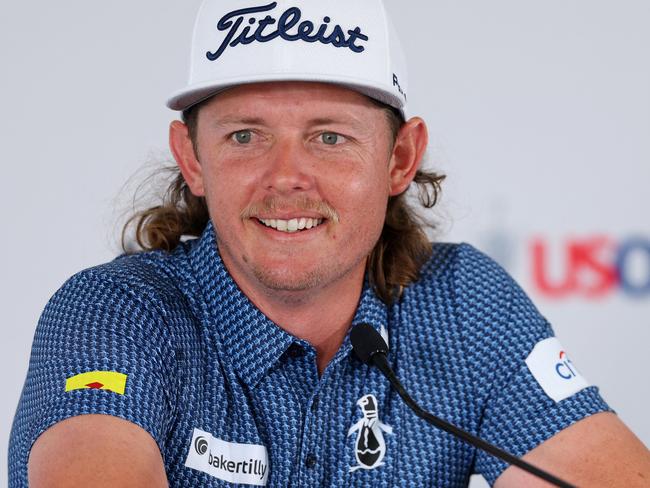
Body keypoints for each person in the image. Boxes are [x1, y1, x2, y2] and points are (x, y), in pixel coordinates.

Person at [9, 1, 650, 487]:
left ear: (400, 159)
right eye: (244, 136)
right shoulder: (116, 312)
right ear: (192, 158)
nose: (286, 176)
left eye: (329, 137)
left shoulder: (461, 303)